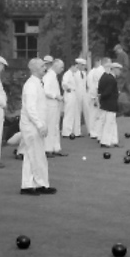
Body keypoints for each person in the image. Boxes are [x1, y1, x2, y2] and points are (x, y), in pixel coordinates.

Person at [19, 58, 53, 196]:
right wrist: (40, 125)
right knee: (36, 155)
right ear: (33, 69)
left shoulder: (38, 83)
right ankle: (39, 184)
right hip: (31, 125)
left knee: (31, 155)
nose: (44, 68)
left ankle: (31, 185)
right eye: (41, 66)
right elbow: (30, 108)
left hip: (35, 124)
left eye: (44, 65)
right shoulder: (31, 85)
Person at [43, 58, 66, 157]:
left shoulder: (53, 76)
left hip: (55, 105)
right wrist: (56, 96)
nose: (62, 69)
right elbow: (45, 90)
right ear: (55, 66)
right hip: (50, 105)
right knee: (51, 127)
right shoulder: (49, 76)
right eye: (61, 67)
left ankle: (56, 148)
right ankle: (47, 149)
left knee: (56, 127)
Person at [61, 58, 88, 139]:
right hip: (70, 94)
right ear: (72, 66)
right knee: (69, 113)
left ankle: (76, 131)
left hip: (75, 94)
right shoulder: (68, 74)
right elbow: (64, 83)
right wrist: (67, 88)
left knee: (76, 113)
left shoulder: (73, 74)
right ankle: (66, 132)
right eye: (76, 67)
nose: (76, 69)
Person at [97, 61, 121, 147]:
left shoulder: (105, 77)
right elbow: (107, 92)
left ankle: (113, 140)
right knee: (109, 123)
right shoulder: (111, 79)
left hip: (106, 104)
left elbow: (101, 90)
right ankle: (105, 141)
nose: (119, 72)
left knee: (111, 123)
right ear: (114, 69)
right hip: (110, 104)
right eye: (118, 70)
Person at [86, 57, 109, 140]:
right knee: (94, 114)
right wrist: (96, 97)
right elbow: (96, 86)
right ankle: (93, 132)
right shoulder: (99, 71)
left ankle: (95, 131)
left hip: (94, 94)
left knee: (95, 114)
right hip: (95, 95)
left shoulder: (94, 71)